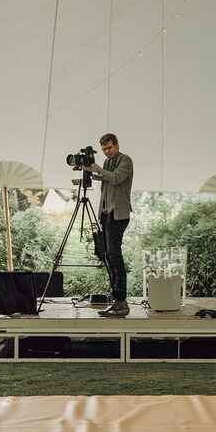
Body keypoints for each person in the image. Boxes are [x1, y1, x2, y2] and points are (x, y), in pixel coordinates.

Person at [84, 133, 133, 317]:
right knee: (106, 254)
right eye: (104, 149)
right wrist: (90, 171)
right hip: (106, 213)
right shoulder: (106, 163)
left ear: (117, 145)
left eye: (110, 148)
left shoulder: (126, 160)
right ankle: (117, 299)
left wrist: (97, 169)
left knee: (114, 254)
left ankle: (121, 301)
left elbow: (116, 178)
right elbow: (106, 179)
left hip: (118, 215)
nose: (107, 152)